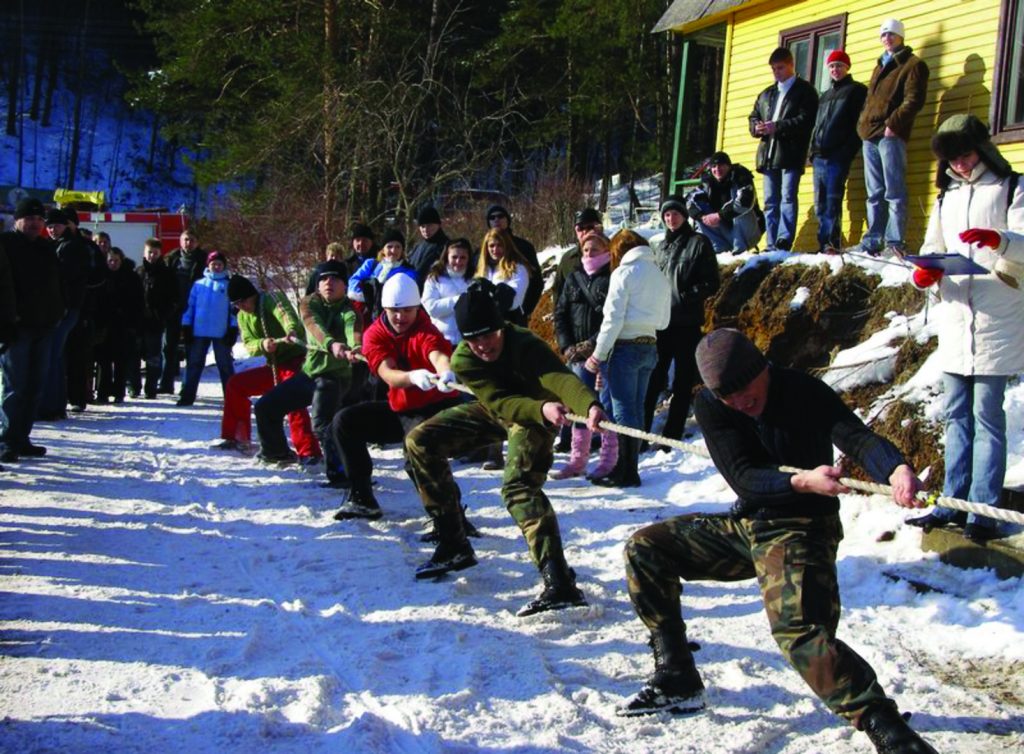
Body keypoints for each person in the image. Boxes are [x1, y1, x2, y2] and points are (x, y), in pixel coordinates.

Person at [618, 328, 940, 754]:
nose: (739, 402)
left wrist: (896, 469)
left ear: (763, 369)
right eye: (727, 396)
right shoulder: (710, 404)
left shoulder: (803, 390)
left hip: (804, 528)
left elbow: (856, 437)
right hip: (751, 522)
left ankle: (889, 730)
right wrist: (802, 479)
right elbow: (745, 478)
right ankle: (676, 673)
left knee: (799, 630)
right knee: (646, 548)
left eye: (745, 390)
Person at [404, 279, 607, 617]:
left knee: (518, 487)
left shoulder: (523, 341)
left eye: (489, 335)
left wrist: (588, 406)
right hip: (501, 408)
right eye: (474, 338)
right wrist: (536, 409)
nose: (482, 345)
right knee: (420, 441)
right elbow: (498, 401)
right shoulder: (465, 359)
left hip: (537, 415)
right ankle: (453, 540)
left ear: (501, 326)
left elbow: (558, 378)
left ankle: (559, 582)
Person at [905, 114, 1024, 543]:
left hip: (998, 319)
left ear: (983, 149)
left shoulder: (1012, 186)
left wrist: (1000, 240)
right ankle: (951, 501)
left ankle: (983, 509)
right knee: (956, 416)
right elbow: (931, 247)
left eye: (966, 155)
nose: (959, 165)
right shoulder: (946, 197)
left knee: (987, 419)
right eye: (952, 159)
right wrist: (926, 272)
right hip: (956, 319)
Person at [330, 273, 463, 520]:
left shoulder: (425, 327)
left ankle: (451, 516)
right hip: (402, 406)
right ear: (385, 309)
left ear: (417, 309)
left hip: (434, 406)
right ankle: (362, 498)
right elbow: (388, 373)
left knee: (417, 453)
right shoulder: (375, 334)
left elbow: (436, 353)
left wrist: (446, 372)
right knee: (345, 422)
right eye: (394, 311)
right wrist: (412, 377)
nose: (401, 317)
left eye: (408, 311)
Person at [584, 230, 671, 487]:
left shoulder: (623, 273)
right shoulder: (660, 275)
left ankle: (626, 471)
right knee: (637, 408)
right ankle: (630, 468)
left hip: (625, 348)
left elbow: (613, 319)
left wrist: (597, 356)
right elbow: (664, 322)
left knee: (623, 412)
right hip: (650, 346)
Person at [218, 275, 321, 465]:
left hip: (295, 361)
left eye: (243, 302)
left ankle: (309, 452)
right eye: (237, 304)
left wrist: (290, 330)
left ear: (252, 296)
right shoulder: (242, 316)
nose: (241, 307)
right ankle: (238, 437)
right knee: (235, 385)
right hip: (274, 365)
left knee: (291, 399)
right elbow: (249, 344)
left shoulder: (271, 299)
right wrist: (263, 344)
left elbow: (286, 314)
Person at [644, 196, 719, 448]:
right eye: (666, 215)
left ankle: (672, 434)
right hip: (661, 322)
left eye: (675, 213)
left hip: (686, 322)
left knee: (683, 380)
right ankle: (642, 433)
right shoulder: (659, 246)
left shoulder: (699, 243)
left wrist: (686, 296)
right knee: (654, 377)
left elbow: (711, 281)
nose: (670, 218)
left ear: (684, 215)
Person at [855, 19, 930, 256]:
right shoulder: (880, 65)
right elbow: (870, 100)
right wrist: (861, 125)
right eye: (884, 34)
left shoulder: (913, 64)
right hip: (869, 134)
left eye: (892, 34)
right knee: (874, 192)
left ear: (901, 36)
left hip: (890, 134)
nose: (887, 38)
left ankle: (894, 240)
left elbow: (914, 100)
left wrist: (893, 125)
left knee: (894, 190)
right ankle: (873, 240)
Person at [0, 198, 63, 462]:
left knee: (36, 385)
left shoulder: (46, 248)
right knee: (15, 386)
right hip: (16, 327)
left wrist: (58, 312)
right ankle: (6, 440)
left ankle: (22, 437)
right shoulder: (6, 245)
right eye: (30, 218)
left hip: (45, 326)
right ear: (18, 220)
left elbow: (56, 284)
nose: (36, 223)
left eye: (39, 219)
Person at [551, 231, 617, 480]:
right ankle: (578, 460)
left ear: (606, 251)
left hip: (603, 350)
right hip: (576, 354)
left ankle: (608, 460)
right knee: (580, 404)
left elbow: (613, 316)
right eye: (585, 250)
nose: (589, 254)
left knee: (606, 405)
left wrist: (593, 344)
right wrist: (566, 345)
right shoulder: (573, 277)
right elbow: (560, 314)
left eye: (594, 250)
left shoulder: (611, 277)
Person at [748, 47, 819, 252]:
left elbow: (806, 120)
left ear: (791, 65)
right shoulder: (767, 94)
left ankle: (784, 239)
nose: (776, 72)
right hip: (768, 154)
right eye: (773, 69)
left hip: (790, 152)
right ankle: (771, 242)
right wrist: (757, 127)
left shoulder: (804, 91)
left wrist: (777, 126)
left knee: (787, 197)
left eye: (780, 68)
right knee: (770, 201)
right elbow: (753, 115)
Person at [296, 261, 361, 484]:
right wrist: (332, 344)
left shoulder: (349, 310)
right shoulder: (308, 303)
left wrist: (356, 347)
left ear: (345, 285)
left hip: (334, 375)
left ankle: (342, 473)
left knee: (324, 424)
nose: (328, 283)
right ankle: (274, 451)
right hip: (309, 373)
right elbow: (314, 327)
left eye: (335, 278)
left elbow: (352, 328)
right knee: (268, 405)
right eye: (323, 278)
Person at [810, 50, 868, 254]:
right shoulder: (825, 95)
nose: (835, 69)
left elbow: (858, 124)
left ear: (847, 67)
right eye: (832, 66)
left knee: (833, 200)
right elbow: (816, 125)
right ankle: (823, 242)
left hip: (837, 156)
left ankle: (831, 243)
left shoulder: (856, 91)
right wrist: (811, 152)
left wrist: (847, 150)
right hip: (819, 156)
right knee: (820, 203)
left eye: (839, 66)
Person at [38, 208, 91, 419]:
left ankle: (51, 406)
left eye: (56, 226)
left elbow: (67, 280)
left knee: (52, 356)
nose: (52, 230)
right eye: (49, 226)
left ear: (65, 226)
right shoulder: (61, 245)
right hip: (64, 307)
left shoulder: (70, 247)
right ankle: (56, 404)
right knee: (56, 357)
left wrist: (63, 305)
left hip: (65, 308)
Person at [177, 250, 236, 407]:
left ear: (224, 266)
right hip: (199, 331)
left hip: (221, 332)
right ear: (208, 265)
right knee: (194, 363)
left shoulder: (229, 285)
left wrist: (233, 328)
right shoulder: (198, 284)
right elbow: (190, 307)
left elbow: (233, 310)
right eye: (213, 264)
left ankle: (232, 397)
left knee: (225, 365)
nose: (216, 267)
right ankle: (187, 395)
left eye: (219, 264)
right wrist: (186, 325)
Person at [685, 153, 763, 254]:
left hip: (748, 232)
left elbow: (746, 202)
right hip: (724, 230)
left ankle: (739, 251)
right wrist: (702, 217)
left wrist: (719, 215)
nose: (717, 169)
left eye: (721, 165)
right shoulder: (708, 183)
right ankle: (718, 250)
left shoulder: (741, 177)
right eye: (714, 166)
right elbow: (689, 201)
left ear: (729, 166)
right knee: (700, 210)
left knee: (740, 207)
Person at [95, 247, 145, 404]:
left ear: (121, 261)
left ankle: (119, 392)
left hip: (124, 324)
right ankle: (102, 392)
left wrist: (134, 324)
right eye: (110, 260)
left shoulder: (131, 277)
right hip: (104, 324)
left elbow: (138, 303)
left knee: (121, 361)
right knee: (103, 361)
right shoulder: (101, 276)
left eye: (116, 260)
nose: (113, 263)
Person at [162, 230, 207, 393]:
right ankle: (166, 385)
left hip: (195, 312)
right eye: (186, 239)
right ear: (180, 241)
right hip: (173, 310)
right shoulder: (171, 258)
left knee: (191, 351)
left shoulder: (205, 260)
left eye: (192, 240)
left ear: (197, 242)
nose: (189, 243)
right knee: (168, 348)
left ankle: (187, 387)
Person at [347, 228, 417, 325]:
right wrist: (367, 296)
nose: (393, 250)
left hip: (391, 317)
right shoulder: (371, 264)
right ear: (383, 249)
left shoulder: (408, 272)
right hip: (367, 315)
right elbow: (353, 281)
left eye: (398, 247)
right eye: (389, 247)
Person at [137, 238, 179, 399]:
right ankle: (134, 385)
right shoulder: (139, 272)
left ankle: (151, 387)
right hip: (138, 321)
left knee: (154, 356)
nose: (152, 256)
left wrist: (162, 315)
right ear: (144, 253)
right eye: (149, 252)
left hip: (156, 322)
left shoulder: (167, 274)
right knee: (135, 354)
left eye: (155, 253)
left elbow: (174, 299)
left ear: (160, 253)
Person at [486, 205, 543, 319]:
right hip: (488, 318)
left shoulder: (524, 247)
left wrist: (525, 310)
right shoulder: (481, 253)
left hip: (517, 313)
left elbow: (536, 282)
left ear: (507, 220)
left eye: (500, 216)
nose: (496, 220)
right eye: (492, 217)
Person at [422, 238, 474, 346]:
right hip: (440, 339)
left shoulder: (474, 279)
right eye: (454, 257)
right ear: (446, 256)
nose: (458, 261)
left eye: (463, 257)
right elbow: (432, 308)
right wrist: (461, 300)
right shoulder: (434, 278)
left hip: (467, 342)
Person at [475, 228, 531, 326]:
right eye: (491, 246)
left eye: (500, 245)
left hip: (512, 325)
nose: (495, 250)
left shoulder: (517, 268)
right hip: (486, 326)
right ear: (486, 248)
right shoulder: (482, 270)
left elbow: (514, 302)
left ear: (507, 246)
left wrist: (492, 289)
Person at [552, 208, 603, 310]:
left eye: (590, 227)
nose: (584, 232)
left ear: (600, 228)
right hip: (577, 322)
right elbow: (558, 293)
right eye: (580, 229)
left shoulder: (614, 253)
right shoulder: (568, 259)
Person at [407, 206, 450, 286]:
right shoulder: (417, 247)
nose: (426, 229)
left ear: (438, 225)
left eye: (430, 225)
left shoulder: (447, 246)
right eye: (422, 226)